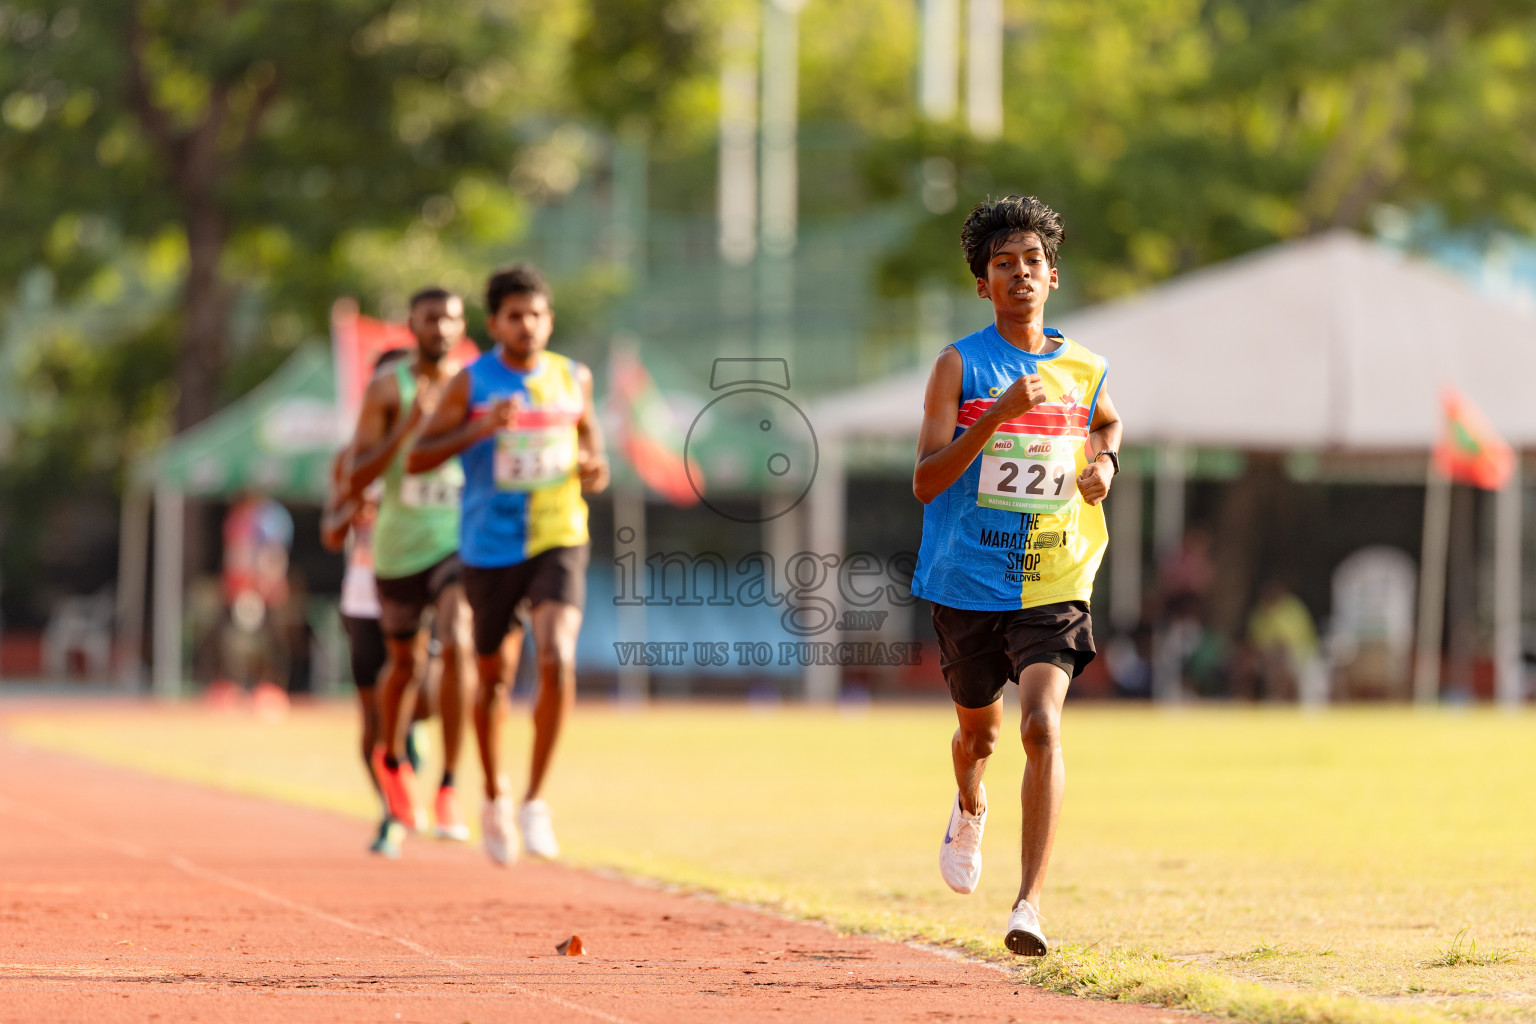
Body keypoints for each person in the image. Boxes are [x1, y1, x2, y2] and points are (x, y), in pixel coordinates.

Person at [910, 195, 1122, 957]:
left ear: (1053, 275)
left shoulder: (1084, 367)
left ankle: (1029, 904)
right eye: (1004, 265)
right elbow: (926, 481)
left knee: (1041, 725)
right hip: (967, 578)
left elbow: (1105, 420)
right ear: (984, 284)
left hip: (1053, 574)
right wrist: (995, 416)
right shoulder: (959, 365)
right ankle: (969, 804)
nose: (1021, 274)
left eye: (1034, 261)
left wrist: (1105, 463)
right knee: (981, 737)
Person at [409, 264, 609, 865]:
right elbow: (418, 457)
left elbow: (591, 443)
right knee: (493, 676)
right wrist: (479, 429)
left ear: (550, 320)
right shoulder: (470, 383)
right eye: (515, 316)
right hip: (489, 546)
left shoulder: (573, 376)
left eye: (537, 315)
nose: (528, 325)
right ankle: (494, 795)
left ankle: (535, 801)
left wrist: (594, 466)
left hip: (558, 533)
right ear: (494, 324)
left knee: (557, 654)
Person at [346, 289, 476, 841]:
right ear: (412, 325)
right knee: (405, 665)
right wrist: (407, 427)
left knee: (459, 639)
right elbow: (356, 475)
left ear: (462, 326)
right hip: (399, 549)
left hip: (457, 542)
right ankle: (394, 761)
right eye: (430, 319)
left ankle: (449, 785)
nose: (440, 328)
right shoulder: (387, 389)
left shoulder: (474, 386)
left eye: (450, 319)